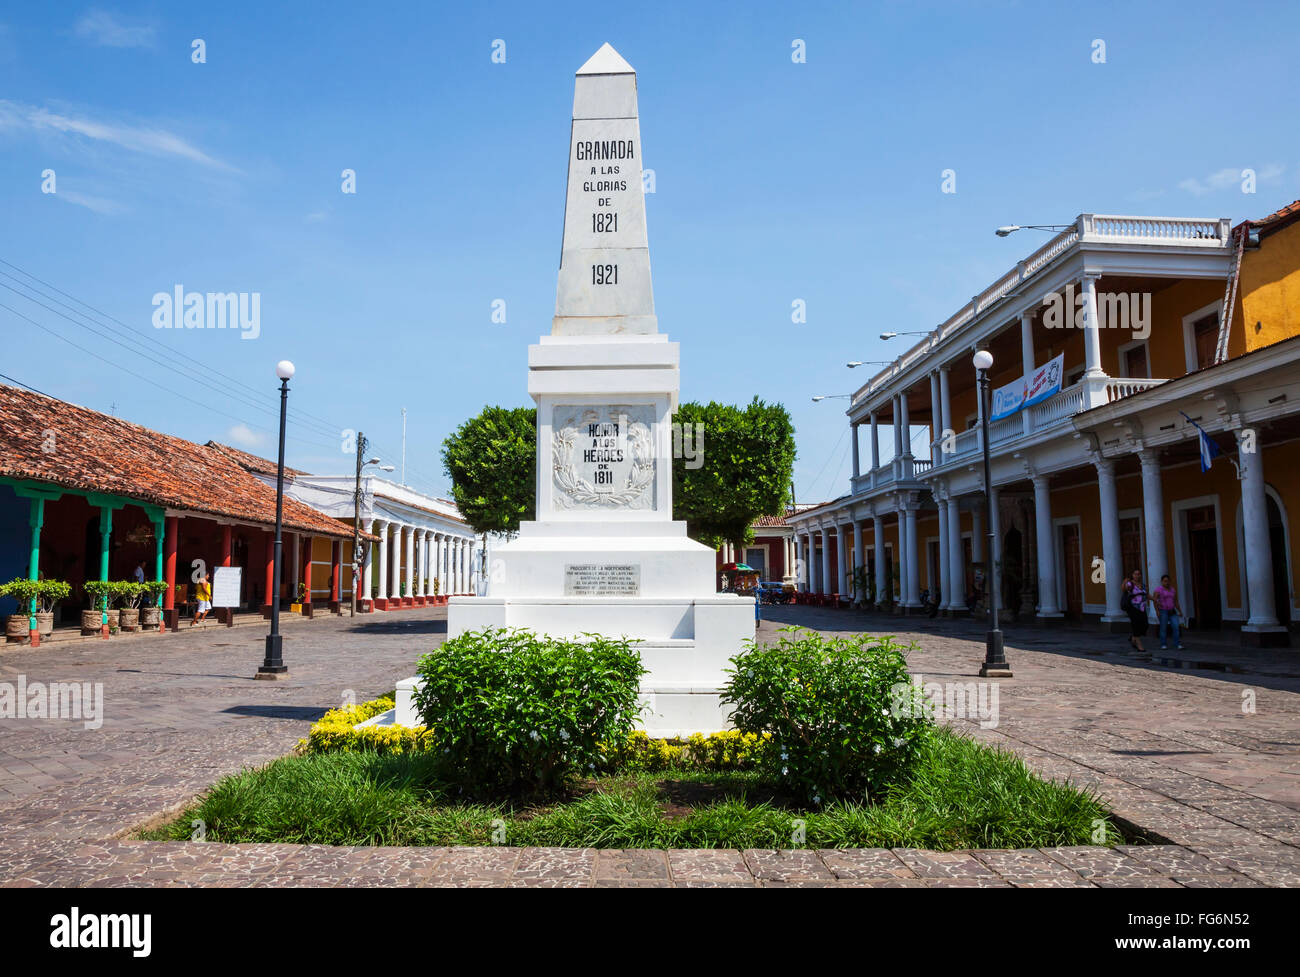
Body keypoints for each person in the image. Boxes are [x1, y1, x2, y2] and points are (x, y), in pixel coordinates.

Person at [1152, 574, 1184, 650]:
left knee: (1176, 627)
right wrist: (1157, 611)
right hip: (1163, 611)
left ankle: (1177, 644)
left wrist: (1180, 611)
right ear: (1162, 581)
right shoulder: (1158, 590)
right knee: (1163, 628)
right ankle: (1163, 644)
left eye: (1168, 581)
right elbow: (1155, 601)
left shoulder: (1173, 589)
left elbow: (1175, 601)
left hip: (1172, 611)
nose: (1167, 583)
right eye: (1165, 581)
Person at [1121, 568, 1149, 652]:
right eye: (1135, 574)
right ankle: (1139, 646)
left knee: (1145, 624)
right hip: (1132, 608)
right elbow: (1124, 590)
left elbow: (1147, 595)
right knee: (1135, 625)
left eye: (1139, 574)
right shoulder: (1130, 584)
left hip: (1142, 608)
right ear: (1132, 575)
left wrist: (1155, 600)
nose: (1137, 575)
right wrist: (1124, 582)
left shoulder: (1143, 585)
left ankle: (1133, 637)